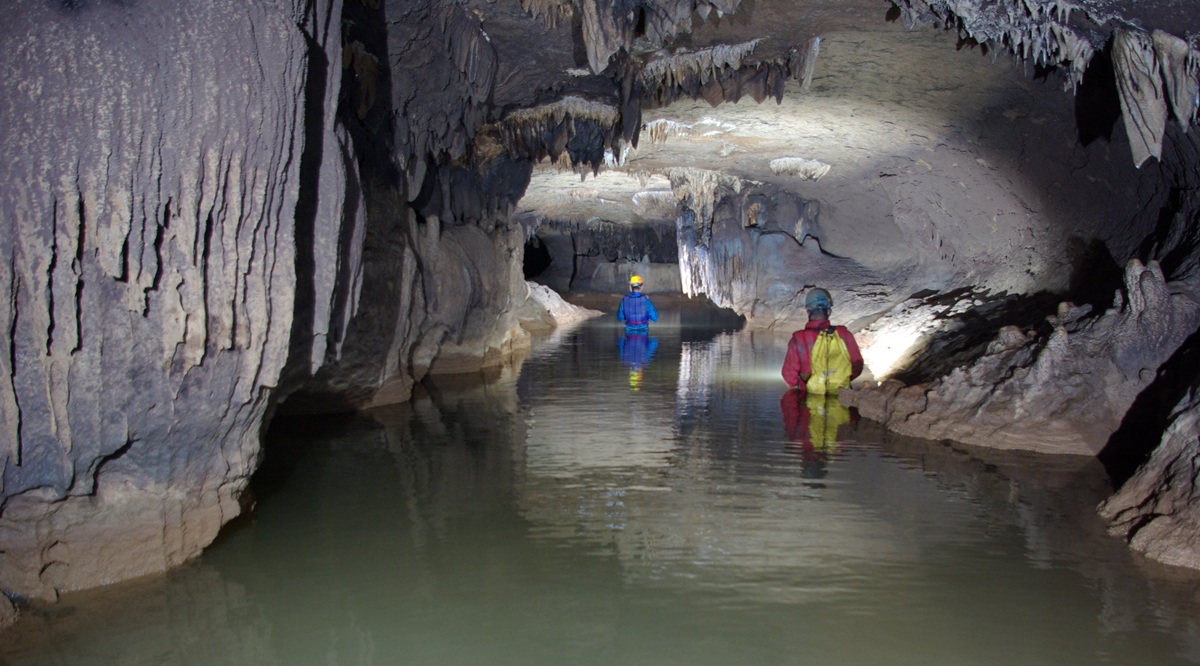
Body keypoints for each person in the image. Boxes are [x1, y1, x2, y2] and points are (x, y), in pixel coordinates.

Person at [781, 287, 863, 394]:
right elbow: (857, 365)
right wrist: (838, 379)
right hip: (841, 398)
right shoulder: (844, 335)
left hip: (810, 401)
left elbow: (789, 375)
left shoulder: (798, 340)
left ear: (808, 312)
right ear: (829, 311)